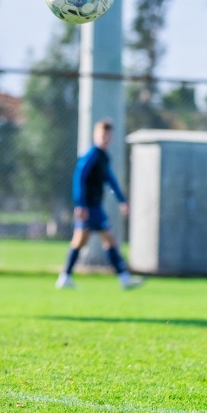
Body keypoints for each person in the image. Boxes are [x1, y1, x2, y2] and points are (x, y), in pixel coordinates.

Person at [56, 119, 143, 290]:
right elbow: (79, 177)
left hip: (93, 206)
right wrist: (80, 204)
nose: (106, 138)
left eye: (108, 135)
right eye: (103, 135)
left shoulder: (104, 157)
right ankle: (124, 277)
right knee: (109, 239)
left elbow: (110, 179)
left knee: (80, 241)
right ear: (96, 135)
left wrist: (122, 200)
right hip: (90, 208)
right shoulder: (92, 155)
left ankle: (65, 276)